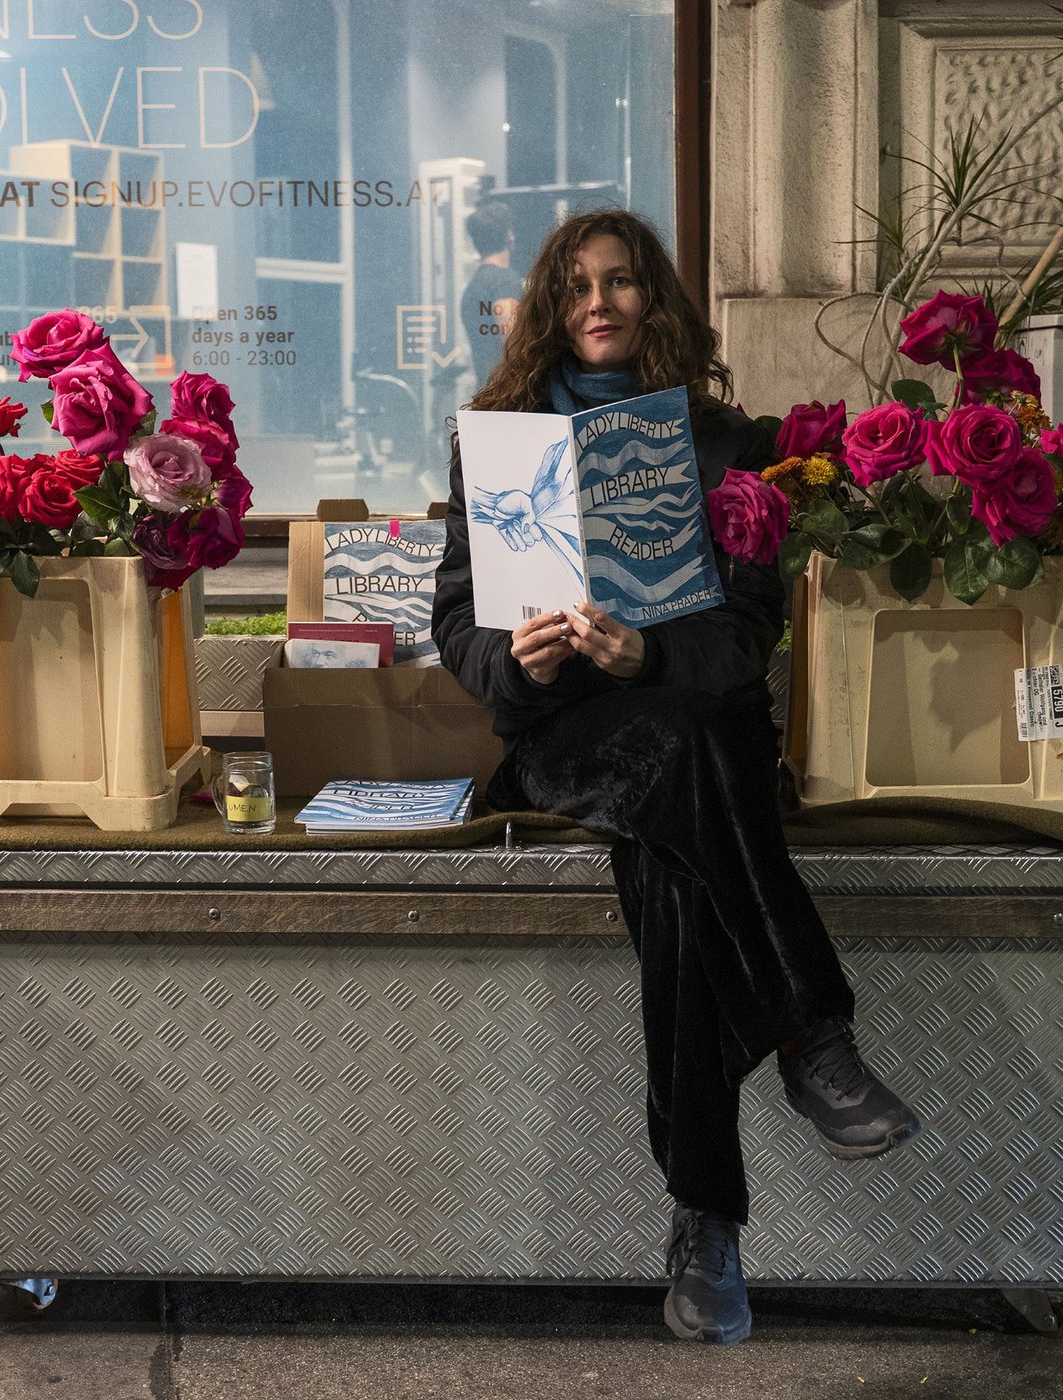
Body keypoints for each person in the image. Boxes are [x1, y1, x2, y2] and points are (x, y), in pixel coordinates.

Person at [432, 208, 920, 1346]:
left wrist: (650, 650)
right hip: (572, 728)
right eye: (576, 287)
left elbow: (750, 631)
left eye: (621, 282)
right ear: (551, 308)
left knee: (672, 869)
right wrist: (518, 654)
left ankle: (707, 1219)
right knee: (682, 765)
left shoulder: (724, 439)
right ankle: (812, 1035)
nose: (598, 303)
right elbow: (453, 614)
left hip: (691, 723)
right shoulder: (495, 439)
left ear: (655, 300)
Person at [460, 201, 523, 388]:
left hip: (488, 394)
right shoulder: (504, 280)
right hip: (510, 399)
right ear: (509, 236)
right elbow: (514, 344)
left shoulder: (473, 287)